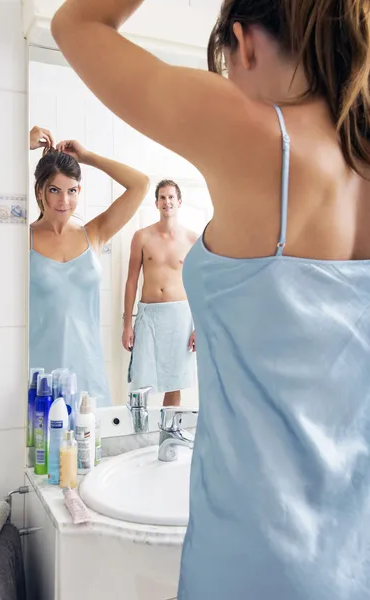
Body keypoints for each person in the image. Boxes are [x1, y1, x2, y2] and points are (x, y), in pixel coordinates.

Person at [51, 1, 370, 598]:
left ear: (245, 44)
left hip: (255, 559)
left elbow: (76, 25)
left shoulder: (253, 130)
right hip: (357, 558)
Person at [29, 126, 149, 408]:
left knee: (95, 449)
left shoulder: (93, 233)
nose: (64, 201)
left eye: (71, 191)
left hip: (89, 376)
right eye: (55, 190)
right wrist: (21, 143)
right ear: (40, 191)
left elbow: (141, 184)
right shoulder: (23, 240)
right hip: (40, 378)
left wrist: (88, 157)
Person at [122, 179, 197, 406]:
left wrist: (199, 327)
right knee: (141, 381)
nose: (167, 202)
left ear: (179, 201)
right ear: (156, 203)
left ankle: (169, 438)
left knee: (174, 382)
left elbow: (200, 285)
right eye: (162, 197)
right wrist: (127, 324)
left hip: (180, 317)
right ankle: (138, 439)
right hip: (149, 316)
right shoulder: (142, 237)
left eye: (171, 197)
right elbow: (132, 280)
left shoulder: (192, 239)